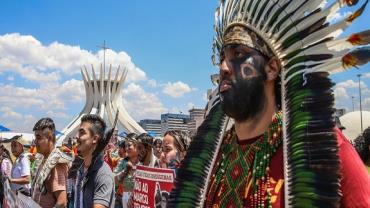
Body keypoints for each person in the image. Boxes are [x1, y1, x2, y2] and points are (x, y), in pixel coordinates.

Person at [169, 0, 370, 207]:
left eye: (238, 54)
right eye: (222, 57)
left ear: (271, 68)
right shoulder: (208, 157)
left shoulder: (326, 148)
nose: (223, 67)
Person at [31, 117, 73, 208]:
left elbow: (62, 203)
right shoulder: (43, 158)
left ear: (49, 138)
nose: (35, 141)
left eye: (38, 137)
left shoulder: (56, 163)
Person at [75, 114, 115, 208]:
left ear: (95, 139)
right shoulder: (80, 168)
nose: (76, 136)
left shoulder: (103, 174)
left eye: (82, 132)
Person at [115, 133, 138, 208]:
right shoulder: (122, 162)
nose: (127, 148)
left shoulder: (143, 162)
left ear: (137, 145)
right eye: (125, 146)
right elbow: (115, 181)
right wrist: (125, 171)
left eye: (129, 145)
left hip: (140, 197)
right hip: (126, 196)